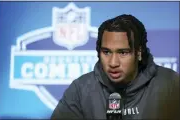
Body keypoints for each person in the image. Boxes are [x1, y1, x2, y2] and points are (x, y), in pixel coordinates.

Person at [51, 14, 179, 119]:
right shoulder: (80, 90)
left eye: (123, 53)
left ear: (138, 52)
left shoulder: (170, 84)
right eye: (106, 52)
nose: (113, 63)